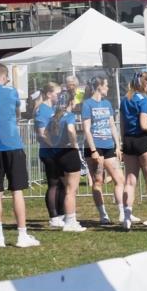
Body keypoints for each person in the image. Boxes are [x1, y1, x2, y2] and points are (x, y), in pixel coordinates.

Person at [0, 64, 39, 247]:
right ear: (4, 77)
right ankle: (22, 235)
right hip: (12, 144)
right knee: (17, 190)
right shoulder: (12, 93)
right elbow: (17, 113)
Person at [81, 77, 124, 225]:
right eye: (106, 85)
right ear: (99, 86)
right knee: (98, 181)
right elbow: (86, 129)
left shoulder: (107, 103)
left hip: (109, 145)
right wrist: (93, 150)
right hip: (94, 146)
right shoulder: (87, 104)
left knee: (119, 179)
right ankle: (103, 214)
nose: (108, 88)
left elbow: (112, 125)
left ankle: (122, 213)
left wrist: (118, 145)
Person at [120, 72, 147, 231]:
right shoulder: (145, 100)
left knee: (130, 181)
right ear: (144, 84)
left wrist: (122, 141)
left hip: (128, 141)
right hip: (143, 140)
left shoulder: (125, 99)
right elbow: (145, 125)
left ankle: (126, 216)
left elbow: (122, 124)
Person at [48, 97, 86, 232]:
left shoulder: (53, 117)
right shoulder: (69, 116)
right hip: (69, 153)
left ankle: (68, 218)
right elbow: (71, 130)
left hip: (56, 154)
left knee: (66, 188)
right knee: (71, 190)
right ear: (69, 103)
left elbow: (46, 133)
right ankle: (70, 221)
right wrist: (75, 145)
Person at [34, 82, 65, 227]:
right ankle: (54, 216)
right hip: (48, 152)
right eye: (57, 94)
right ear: (48, 94)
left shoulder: (52, 108)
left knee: (62, 183)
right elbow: (41, 133)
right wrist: (53, 145)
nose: (59, 96)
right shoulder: (42, 109)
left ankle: (61, 214)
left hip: (57, 151)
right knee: (53, 183)